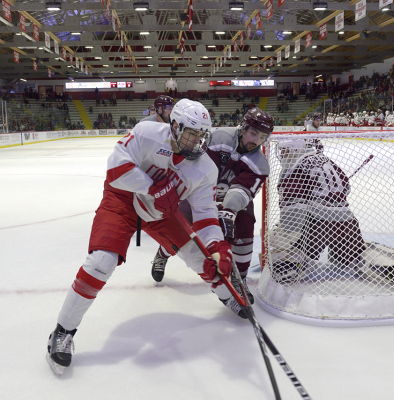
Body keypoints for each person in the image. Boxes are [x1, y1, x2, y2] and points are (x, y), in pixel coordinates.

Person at [46, 99, 245, 377]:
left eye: (201, 135)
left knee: (202, 256)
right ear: (174, 126)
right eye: (191, 133)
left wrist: (218, 247)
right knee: (101, 261)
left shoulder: (205, 169)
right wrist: (153, 188)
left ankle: (228, 294)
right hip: (123, 200)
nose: (196, 141)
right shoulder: (147, 133)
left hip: (163, 212)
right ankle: (62, 332)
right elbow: (115, 169)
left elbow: (206, 216)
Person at [151, 107, 274, 304]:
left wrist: (228, 211)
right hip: (199, 191)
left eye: (262, 137)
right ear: (243, 128)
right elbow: (199, 171)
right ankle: (162, 253)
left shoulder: (260, 164)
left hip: (229, 200)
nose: (256, 141)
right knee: (178, 228)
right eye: (253, 133)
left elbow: (242, 191)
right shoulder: (219, 138)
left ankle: (239, 281)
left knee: (245, 223)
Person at [269, 134, 394, 285]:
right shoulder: (324, 159)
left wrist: (281, 235)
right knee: (352, 257)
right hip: (347, 223)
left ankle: (291, 266)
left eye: (284, 150)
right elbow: (345, 187)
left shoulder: (293, 168)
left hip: (316, 227)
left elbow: (294, 218)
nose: (281, 154)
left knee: (285, 247)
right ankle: (379, 264)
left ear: (293, 150)